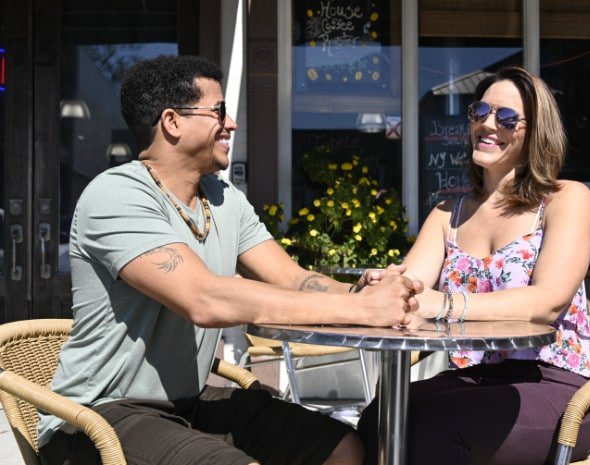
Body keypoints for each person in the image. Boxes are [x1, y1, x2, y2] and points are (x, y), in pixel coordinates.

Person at [36, 54, 422, 465]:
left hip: (188, 403)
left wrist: (364, 291)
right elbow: (205, 300)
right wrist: (360, 310)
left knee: (342, 448)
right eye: (218, 111)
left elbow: (290, 278)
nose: (231, 123)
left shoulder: (223, 199)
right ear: (172, 122)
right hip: (97, 416)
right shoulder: (115, 195)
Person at [357, 66, 590, 465]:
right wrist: (386, 285)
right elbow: (412, 292)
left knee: (439, 426)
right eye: (480, 112)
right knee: (380, 417)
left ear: (536, 132)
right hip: (475, 378)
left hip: (556, 385)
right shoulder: (446, 213)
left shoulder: (566, 199)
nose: (488, 124)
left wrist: (444, 304)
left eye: (506, 117)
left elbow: (546, 302)